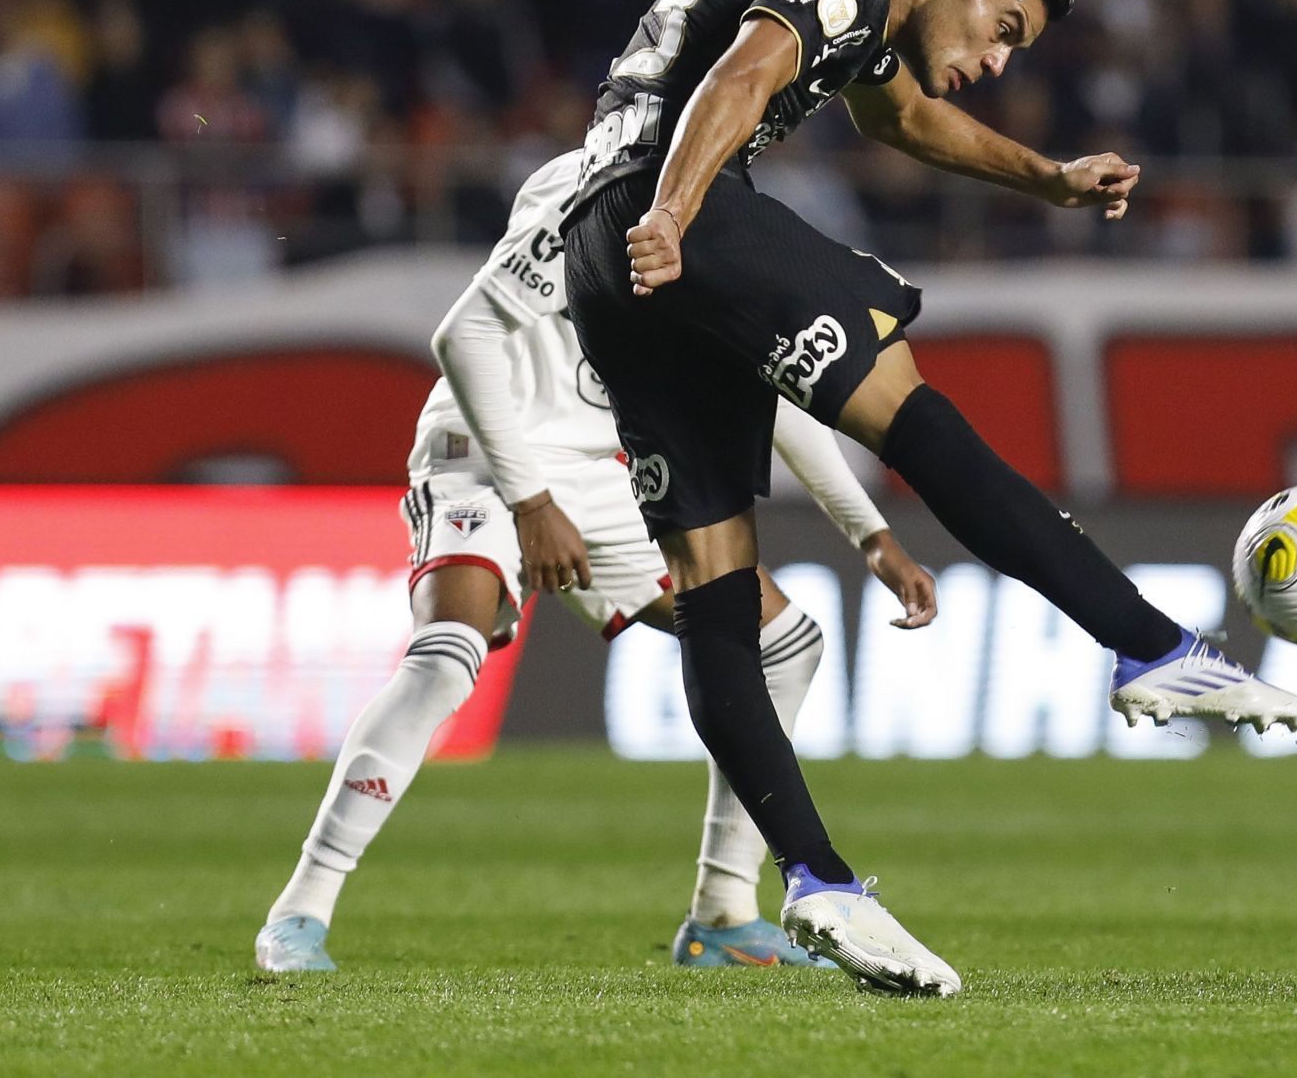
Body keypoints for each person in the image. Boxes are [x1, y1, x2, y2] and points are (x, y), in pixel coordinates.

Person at [560, 0, 1297, 998]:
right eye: (1006, 28)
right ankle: (1151, 643)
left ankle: (818, 879)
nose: (1000, 60)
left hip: (598, 253)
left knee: (714, 586)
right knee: (910, 409)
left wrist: (1048, 177)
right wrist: (676, 215)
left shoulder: (862, 10)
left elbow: (903, 120)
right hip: (674, 209)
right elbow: (742, 77)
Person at [254, 150, 937, 974]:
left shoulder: (723, 212)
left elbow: (773, 392)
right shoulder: (587, 186)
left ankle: (722, 913)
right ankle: (298, 914)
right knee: (445, 658)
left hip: (595, 473)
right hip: (483, 443)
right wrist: (532, 504)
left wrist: (871, 535)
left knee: (784, 642)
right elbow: (462, 336)